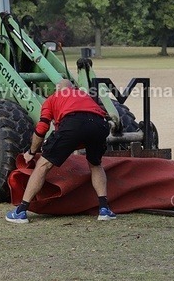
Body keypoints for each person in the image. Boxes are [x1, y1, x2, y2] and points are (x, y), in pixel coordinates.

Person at [6, 79, 117, 223]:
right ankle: (104, 209)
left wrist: (31, 152)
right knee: (95, 164)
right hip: (100, 124)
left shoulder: (52, 99)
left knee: (43, 165)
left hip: (73, 123)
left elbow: (42, 128)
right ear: (72, 88)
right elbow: (87, 126)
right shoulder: (83, 95)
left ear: (57, 89)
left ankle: (21, 211)